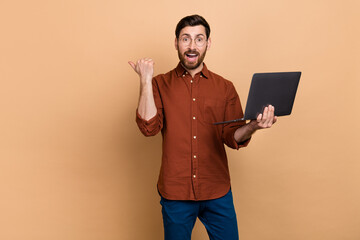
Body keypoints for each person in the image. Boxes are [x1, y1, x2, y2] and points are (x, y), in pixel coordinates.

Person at [129, 14, 277, 240]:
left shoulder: (225, 87)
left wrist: (253, 126)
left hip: (217, 190)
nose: (192, 45)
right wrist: (146, 81)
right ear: (176, 43)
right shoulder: (159, 83)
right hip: (176, 191)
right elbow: (149, 128)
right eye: (185, 38)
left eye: (199, 39)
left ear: (208, 43)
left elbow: (232, 135)